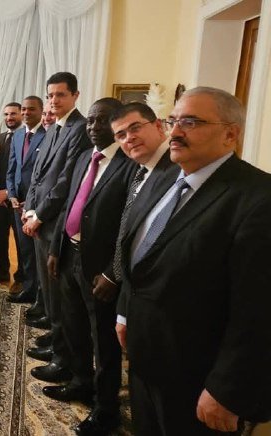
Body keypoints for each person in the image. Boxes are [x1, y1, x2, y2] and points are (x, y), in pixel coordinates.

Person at [119, 87, 271, 434]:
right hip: (145, 359)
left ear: (230, 134)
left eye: (190, 122)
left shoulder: (258, 198)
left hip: (199, 379)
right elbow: (140, 257)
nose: (174, 132)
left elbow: (258, 310)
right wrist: (125, 311)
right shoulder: (167, 177)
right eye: (172, 121)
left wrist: (226, 389)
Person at [44, 98, 136, 435]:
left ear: (116, 123)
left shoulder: (129, 165)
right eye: (91, 121)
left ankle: (106, 409)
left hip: (100, 268)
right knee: (74, 325)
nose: (94, 127)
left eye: (102, 120)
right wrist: (56, 249)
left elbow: (130, 226)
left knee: (104, 340)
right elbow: (70, 204)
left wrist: (113, 271)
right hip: (70, 254)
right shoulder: (85, 156)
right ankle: (81, 381)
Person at [24, 72, 92, 385]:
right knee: (49, 291)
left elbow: (66, 181)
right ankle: (55, 342)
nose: (54, 101)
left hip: (56, 223)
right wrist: (29, 208)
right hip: (39, 218)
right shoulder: (54, 127)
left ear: (75, 95)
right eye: (50, 95)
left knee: (61, 295)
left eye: (60, 95)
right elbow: (38, 174)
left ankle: (62, 358)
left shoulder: (80, 129)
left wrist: (40, 214)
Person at [104, 102, 174, 349]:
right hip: (135, 294)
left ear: (158, 126)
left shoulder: (178, 171)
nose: (129, 138)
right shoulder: (143, 169)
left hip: (159, 303)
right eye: (121, 135)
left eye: (135, 128)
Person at [5, 96, 45, 321]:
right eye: (24, 109)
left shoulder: (47, 135)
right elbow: (11, 170)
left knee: (38, 253)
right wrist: (11, 195)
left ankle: (40, 296)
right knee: (25, 251)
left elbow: (46, 176)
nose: (27, 113)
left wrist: (30, 203)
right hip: (16, 204)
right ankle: (28, 290)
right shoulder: (18, 135)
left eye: (32, 109)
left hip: (36, 206)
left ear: (40, 111)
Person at [0, 102, 22, 284]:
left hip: (18, 199)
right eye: (6, 114)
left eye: (13, 114)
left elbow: (25, 171)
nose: (9, 117)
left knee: (20, 240)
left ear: (21, 115)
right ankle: (2, 270)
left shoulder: (27, 137)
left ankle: (22, 276)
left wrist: (8, 192)